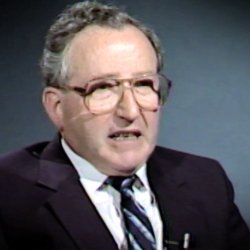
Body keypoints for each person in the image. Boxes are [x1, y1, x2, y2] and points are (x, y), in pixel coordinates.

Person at [0, 1, 249, 250]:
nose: (130, 111)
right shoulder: (8, 193)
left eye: (143, 84)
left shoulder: (205, 181)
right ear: (57, 106)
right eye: (103, 88)